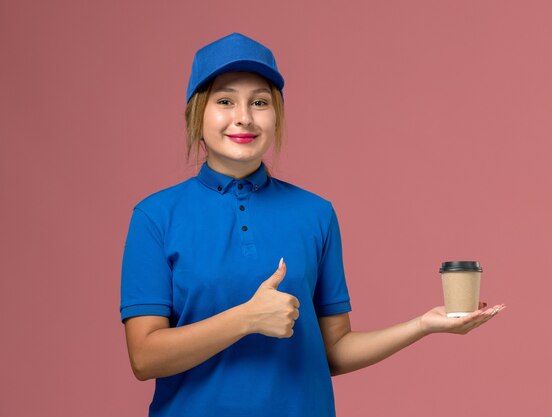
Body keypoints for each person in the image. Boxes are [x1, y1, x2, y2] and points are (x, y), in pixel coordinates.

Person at [120, 32, 505, 417]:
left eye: (260, 102)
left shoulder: (315, 213)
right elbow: (145, 357)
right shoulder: (155, 217)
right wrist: (246, 319)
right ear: (196, 113)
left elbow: (333, 351)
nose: (244, 117)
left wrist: (422, 325)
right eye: (225, 101)